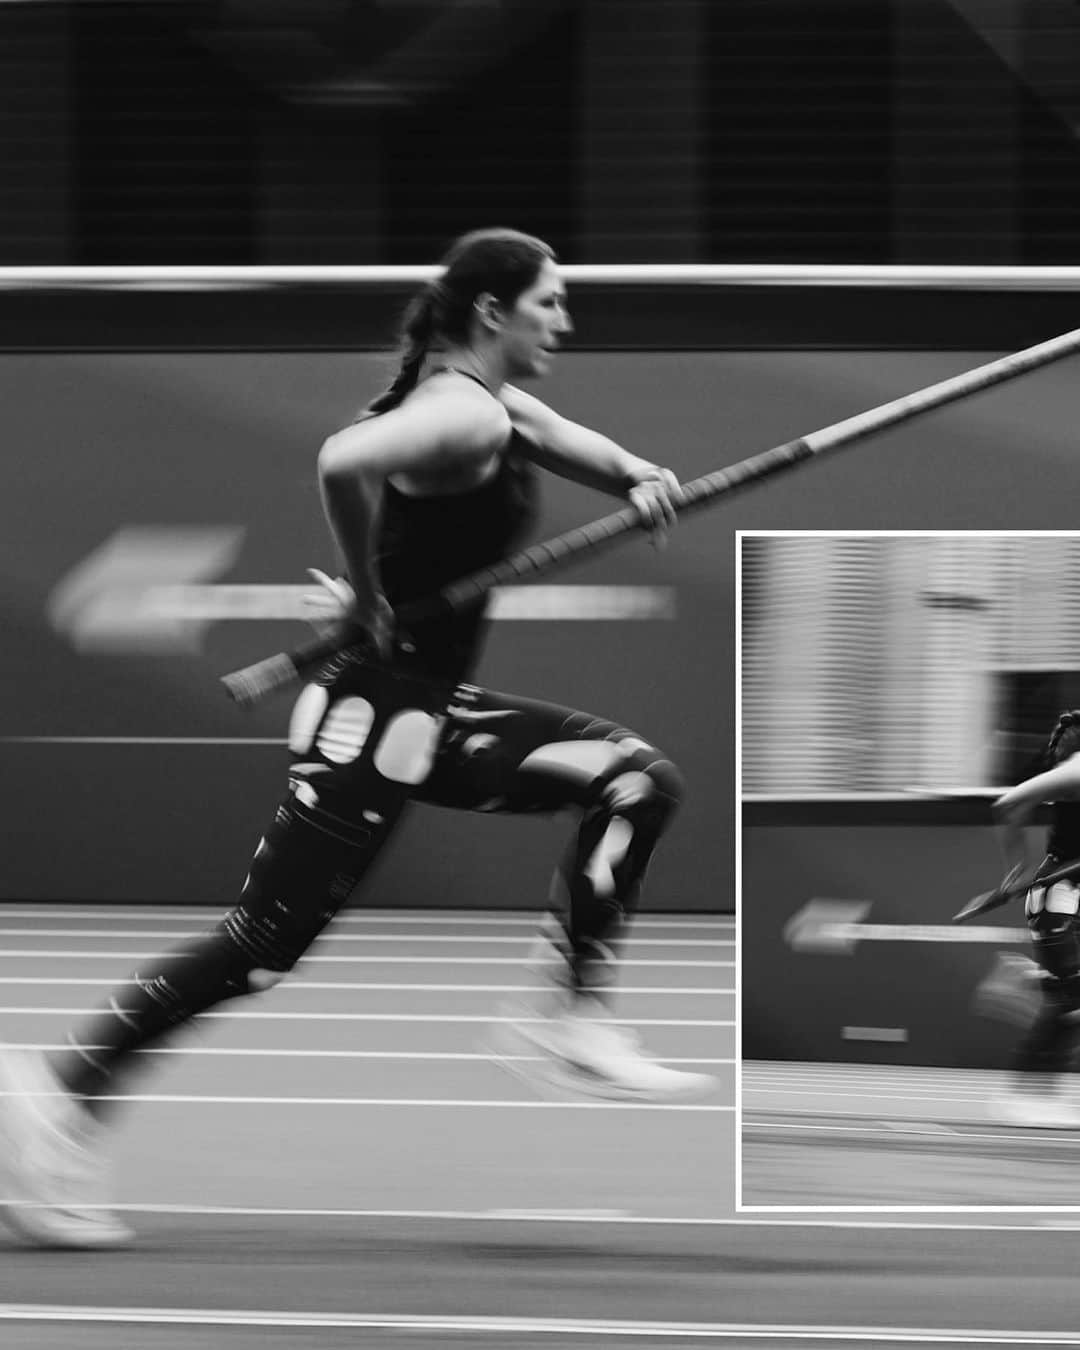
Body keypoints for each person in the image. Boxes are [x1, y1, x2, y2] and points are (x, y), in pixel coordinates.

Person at [0, 227, 714, 1250]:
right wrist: (373, 597)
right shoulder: (458, 413)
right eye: (550, 301)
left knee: (637, 780)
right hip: (373, 721)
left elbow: (573, 442)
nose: (566, 319)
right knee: (260, 949)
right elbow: (344, 459)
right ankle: (60, 1094)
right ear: (491, 313)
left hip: (424, 713)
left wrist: (643, 475)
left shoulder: (491, 402)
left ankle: (563, 1014)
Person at [976, 709, 1080, 1127]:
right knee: (1072, 1001)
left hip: (1072, 897)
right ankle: (1026, 1095)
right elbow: (1011, 802)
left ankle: (1021, 978)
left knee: (1068, 999)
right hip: (1059, 900)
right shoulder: (1077, 768)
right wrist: (1013, 871)